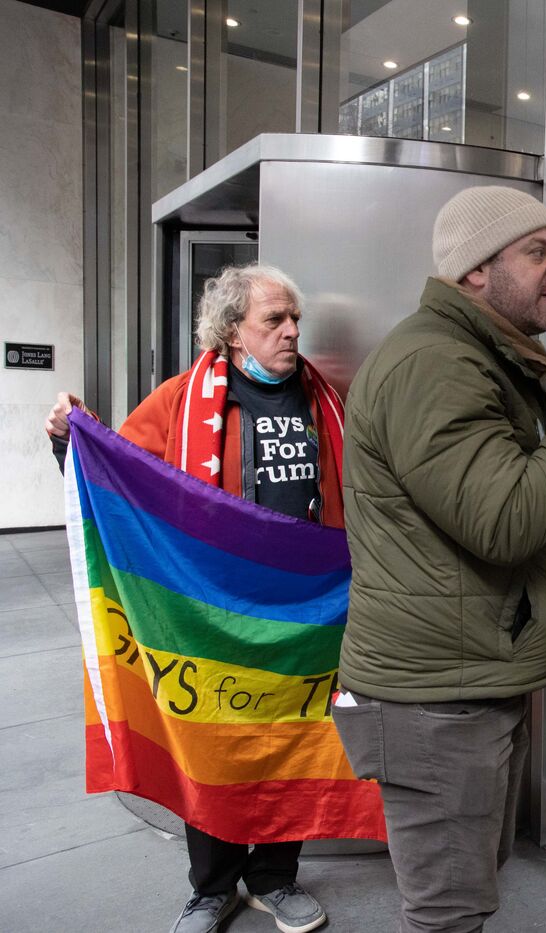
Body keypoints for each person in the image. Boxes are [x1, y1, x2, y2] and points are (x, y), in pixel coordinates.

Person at [330, 186, 546, 932]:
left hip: (463, 675)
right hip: (436, 697)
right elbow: (505, 519)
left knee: (468, 888)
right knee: (449, 911)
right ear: (476, 271)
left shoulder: (472, 354)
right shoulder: (436, 365)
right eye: (536, 252)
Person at [45, 263, 340, 933]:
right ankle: (212, 887)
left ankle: (275, 878)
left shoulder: (324, 398)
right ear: (235, 331)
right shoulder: (182, 400)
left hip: (303, 610)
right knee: (211, 743)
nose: (292, 331)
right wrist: (72, 437)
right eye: (275, 320)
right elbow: (121, 473)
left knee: (290, 741)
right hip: (208, 607)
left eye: (296, 318)